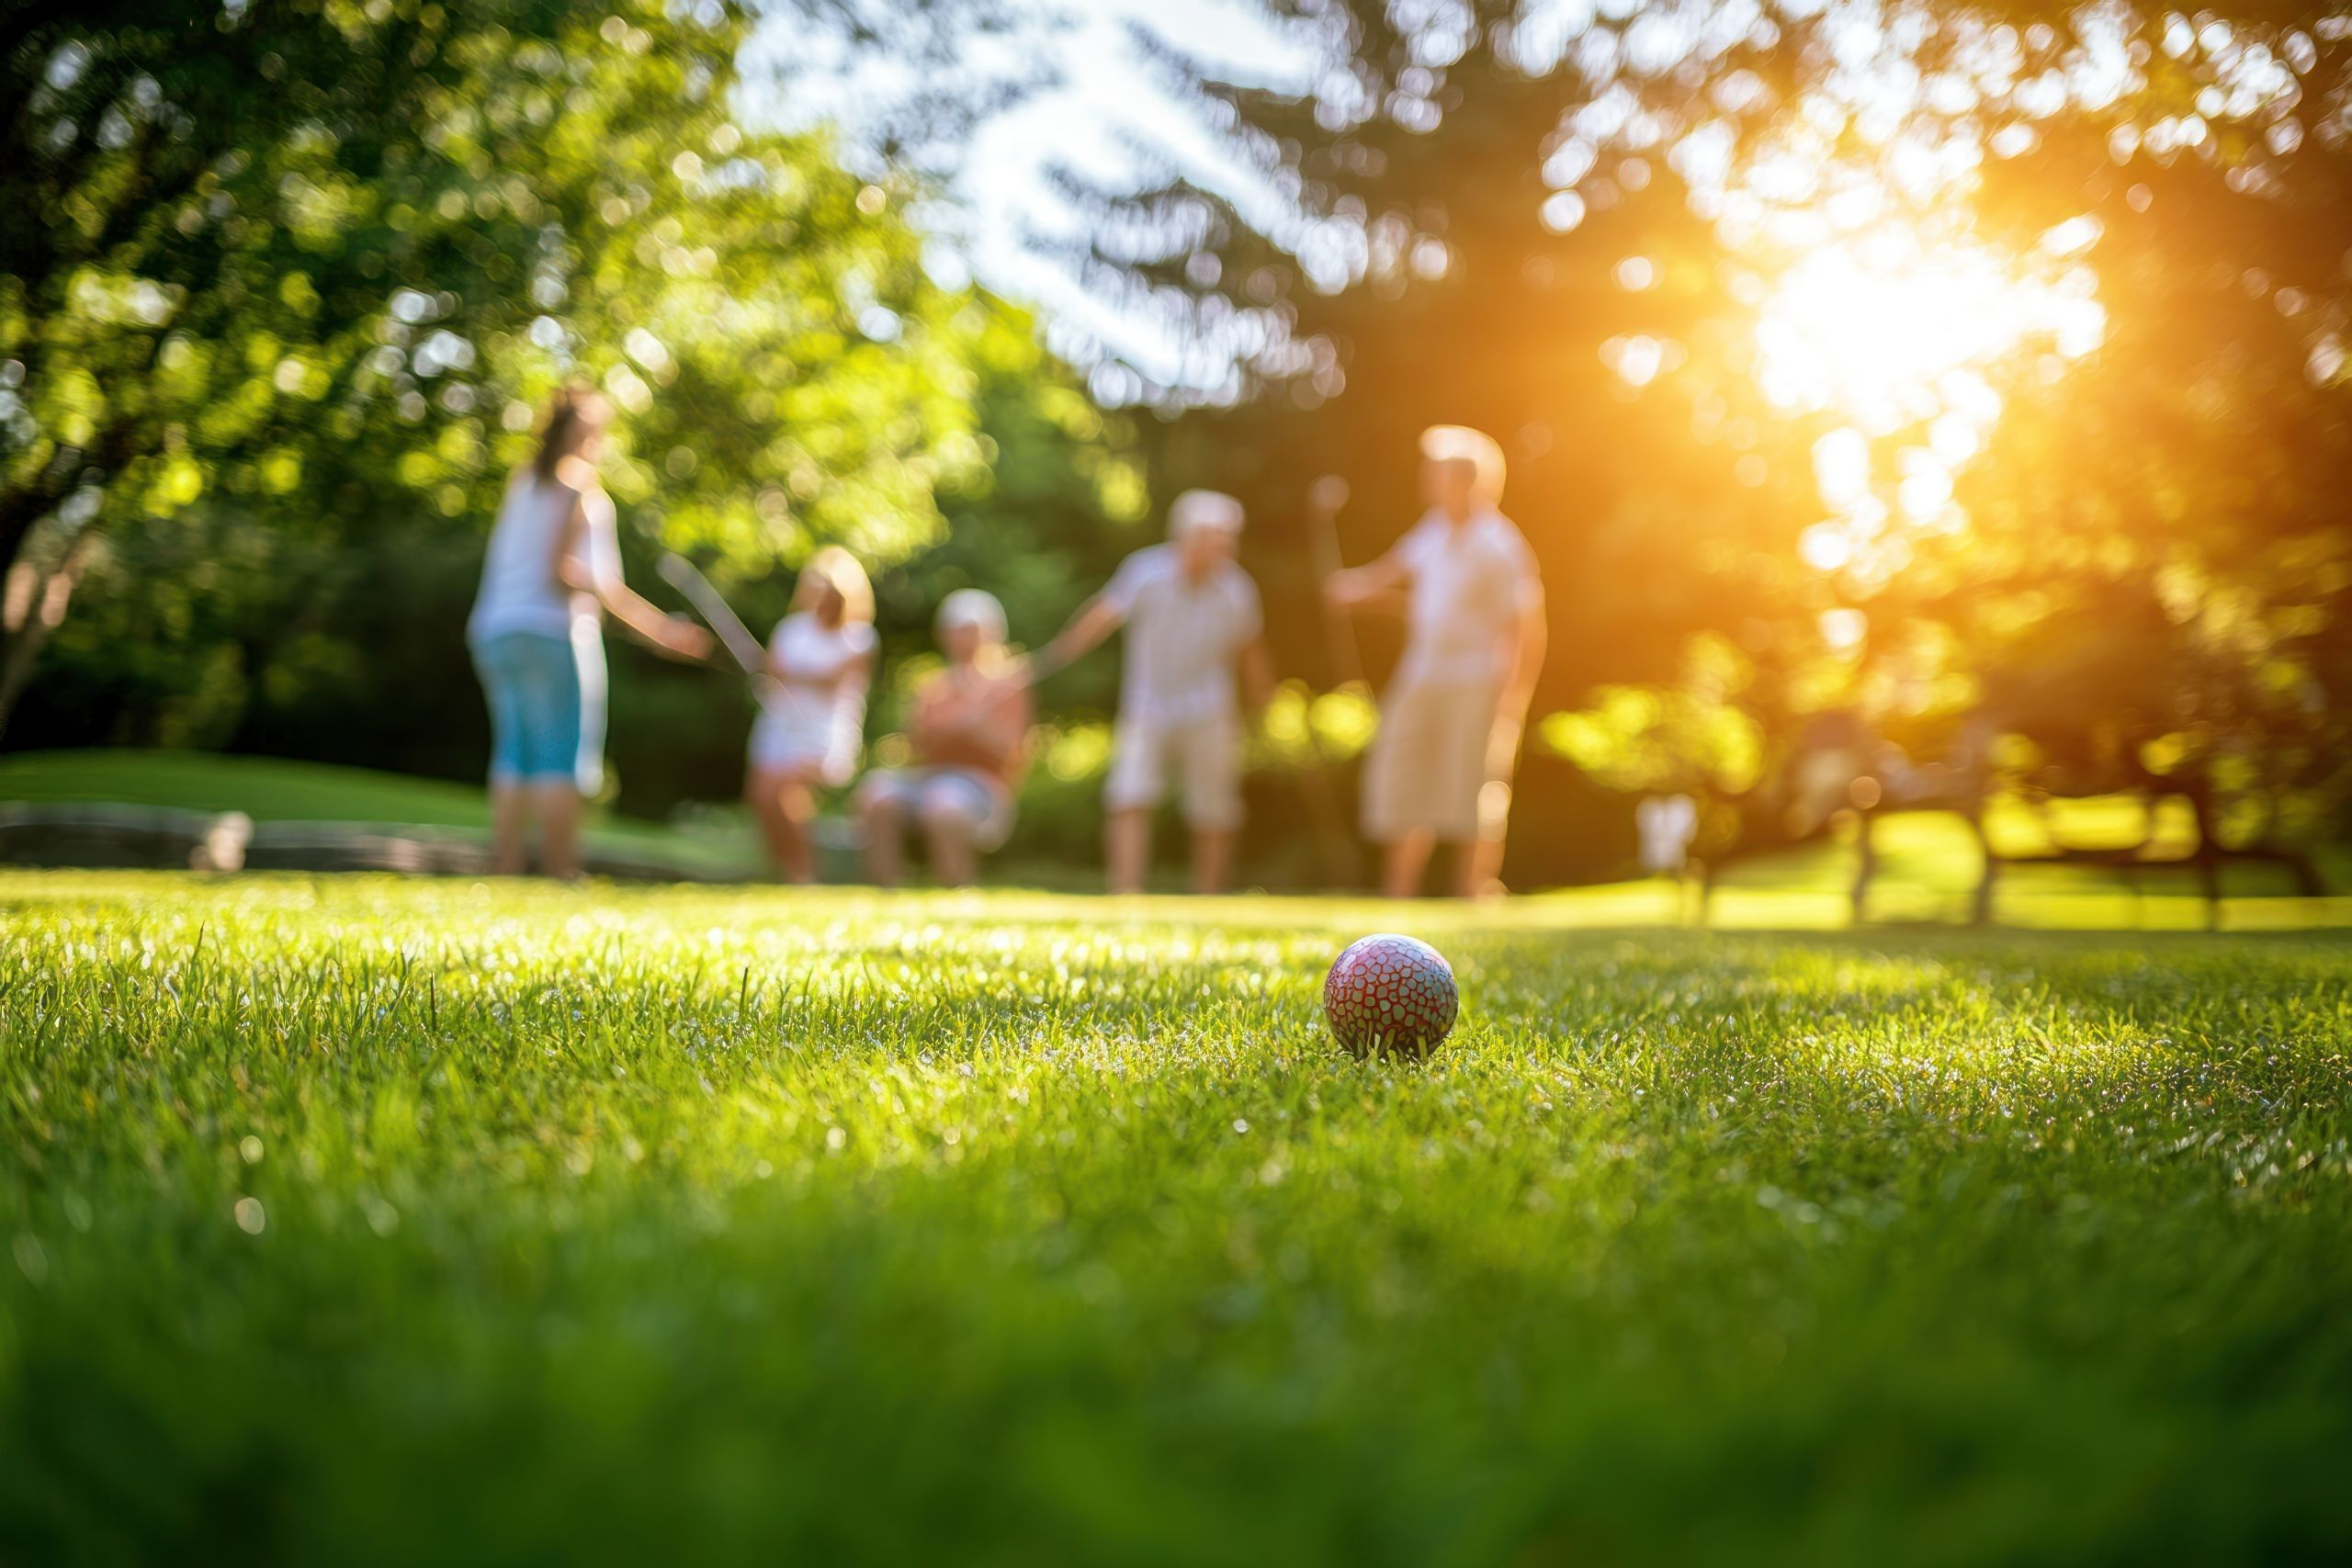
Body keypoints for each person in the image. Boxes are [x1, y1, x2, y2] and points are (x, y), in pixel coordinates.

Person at [467, 387, 710, 878]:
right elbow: (568, 573)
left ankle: (507, 867)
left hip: (495, 630)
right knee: (559, 756)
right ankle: (562, 871)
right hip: (551, 633)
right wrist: (661, 630)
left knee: (515, 753)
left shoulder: (523, 483)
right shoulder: (581, 490)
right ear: (587, 434)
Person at [1326, 424, 1545, 899]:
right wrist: (1354, 590)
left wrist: (1513, 697)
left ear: (1466, 481)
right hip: (1422, 674)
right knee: (1407, 777)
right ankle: (1399, 893)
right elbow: (1397, 581)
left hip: (1477, 680)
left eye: (1435, 473)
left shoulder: (1500, 544)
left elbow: (1525, 627)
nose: (1426, 480)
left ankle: (1472, 890)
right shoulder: (1431, 530)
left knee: (1473, 784)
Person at [1037, 489, 1272, 895]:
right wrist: (1055, 655)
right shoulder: (1145, 572)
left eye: (1227, 539)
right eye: (1213, 538)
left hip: (1210, 707)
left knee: (1214, 807)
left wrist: (1265, 701)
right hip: (1148, 704)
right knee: (1129, 797)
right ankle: (1126, 892)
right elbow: (1102, 616)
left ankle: (1208, 896)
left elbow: (1251, 649)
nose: (1223, 547)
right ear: (1185, 537)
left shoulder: (1238, 589)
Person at [854, 589, 1032, 887]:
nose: (962, 639)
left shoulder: (1009, 686)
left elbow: (1013, 753)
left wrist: (976, 731)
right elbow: (914, 747)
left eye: (970, 631)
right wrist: (947, 729)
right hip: (928, 778)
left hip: (982, 787)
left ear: (991, 633)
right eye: (955, 630)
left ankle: (955, 888)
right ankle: (886, 889)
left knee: (944, 802)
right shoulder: (933, 688)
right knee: (877, 794)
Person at [744, 547, 876, 884]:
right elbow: (772, 675)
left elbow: (833, 678)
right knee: (762, 795)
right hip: (780, 726)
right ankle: (783, 869)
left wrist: (789, 673)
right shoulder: (791, 629)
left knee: (785, 791)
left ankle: (803, 872)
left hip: (825, 733)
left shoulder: (860, 637)